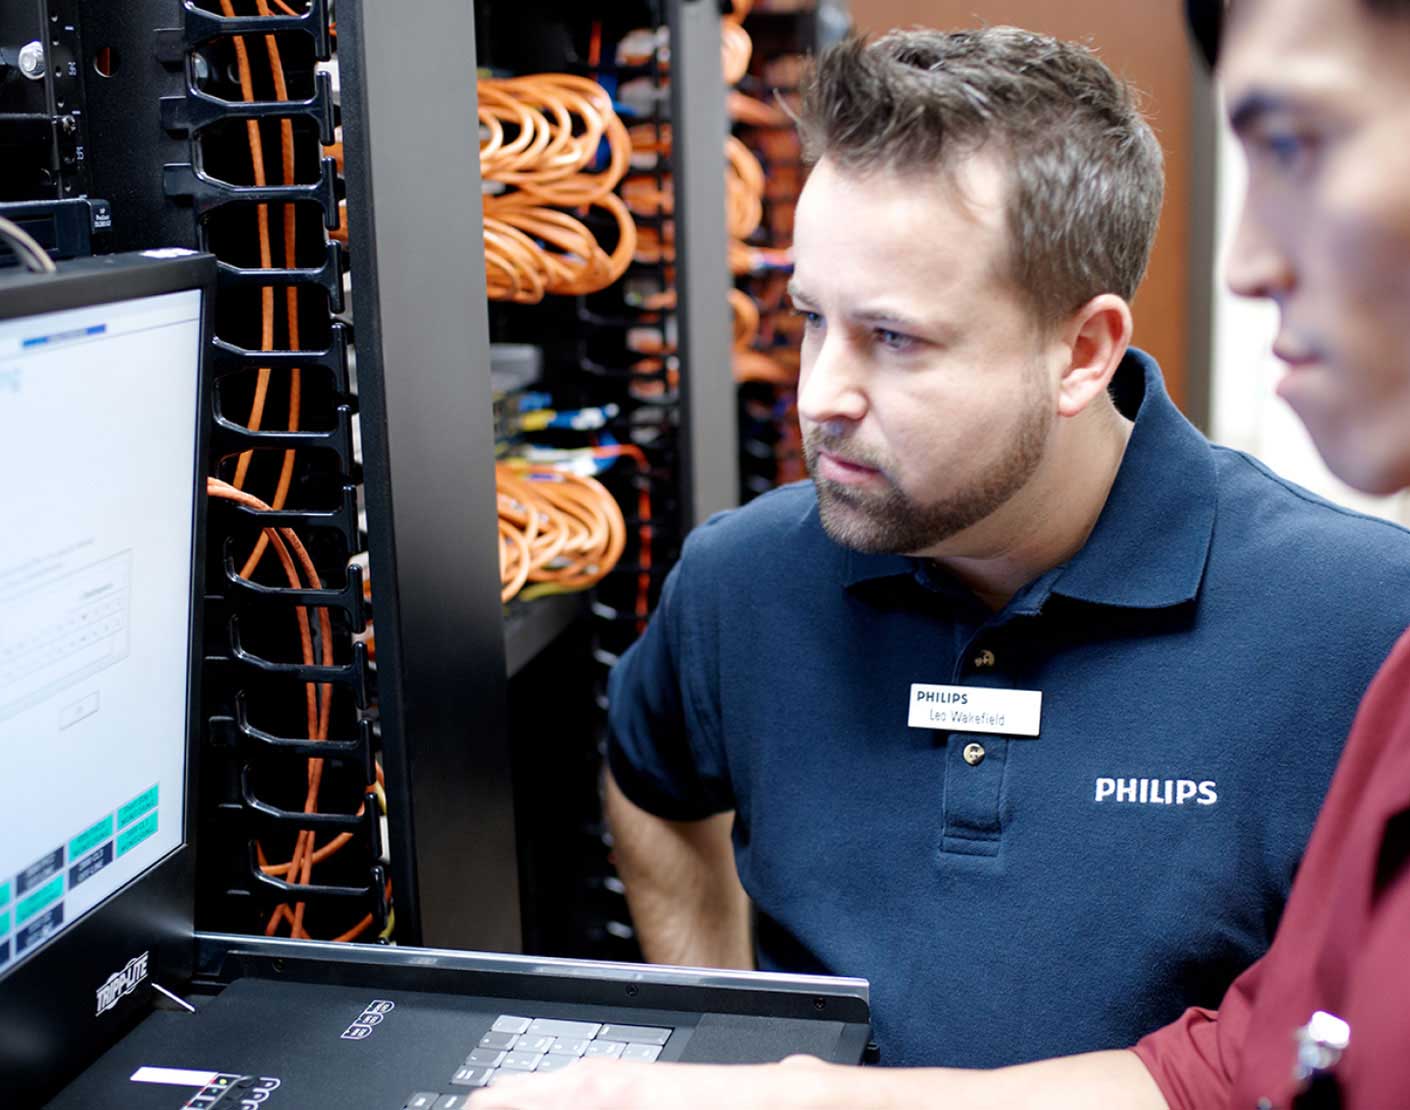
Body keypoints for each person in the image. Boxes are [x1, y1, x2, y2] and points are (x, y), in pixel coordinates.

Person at [469, 5, 1410, 1105]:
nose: (822, 397)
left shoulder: (1359, 629)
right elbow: (654, 787)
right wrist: (723, 1041)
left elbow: (1254, 1067)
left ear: (1084, 351)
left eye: (896, 339)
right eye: (813, 319)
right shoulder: (742, 581)